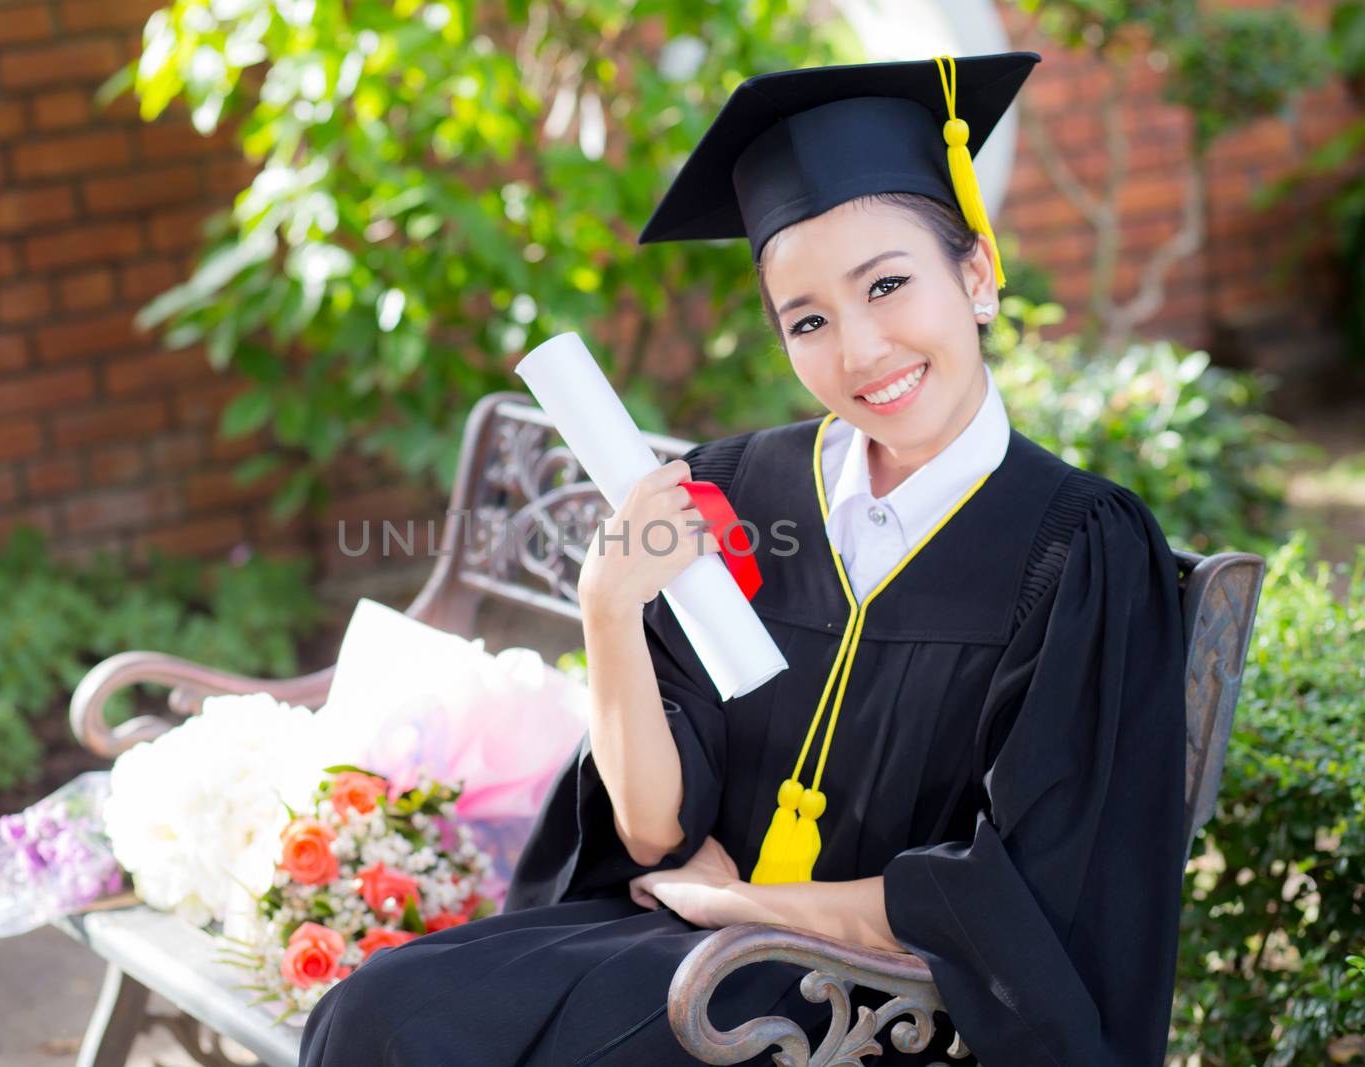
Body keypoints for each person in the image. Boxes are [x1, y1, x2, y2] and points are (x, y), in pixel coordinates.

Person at [297, 50, 1188, 1066]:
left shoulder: (1076, 547)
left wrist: (748, 902)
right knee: (378, 1006)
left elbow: (1027, 891)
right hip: (693, 957)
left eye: (888, 284)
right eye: (808, 320)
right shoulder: (745, 491)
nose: (859, 351)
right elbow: (648, 832)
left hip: (875, 1008)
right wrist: (608, 608)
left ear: (976, 275)